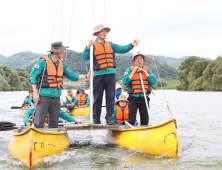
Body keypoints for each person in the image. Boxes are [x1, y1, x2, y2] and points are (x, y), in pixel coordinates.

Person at [83, 24, 140, 125]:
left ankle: (109, 118)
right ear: (96, 33)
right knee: (98, 97)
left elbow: (122, 49)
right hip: (98, 75)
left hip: (111, 75)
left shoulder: (111, 44)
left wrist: (131, 45)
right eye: (102, 31)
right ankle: (96, 118)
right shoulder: (92, 45)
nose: (105, 33)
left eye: (106, 31)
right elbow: (85, 57)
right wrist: (88, 47)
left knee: (110, 96)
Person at [30, 41, 91, 128]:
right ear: (55, 51)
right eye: (62, 50)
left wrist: (86, 76)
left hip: (56, 97)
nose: (64, 52)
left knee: (54, 123)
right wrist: (35, 93)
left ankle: (53, 137)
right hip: (44, 96)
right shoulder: (42, 62)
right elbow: (33, 76)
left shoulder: (62, 64)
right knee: (39, 122)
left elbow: (71, 75)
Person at [122, 52, 157, 126]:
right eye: (137, 59)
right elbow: (125, 82)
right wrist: (134, 71)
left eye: (141, 58)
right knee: (131, 119)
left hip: (144, 97)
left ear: (143, 60)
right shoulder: (129, 70)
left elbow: (153, 81)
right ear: (134, 61)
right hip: (133, 98)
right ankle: (130, 132)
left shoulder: (147, 69)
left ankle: (144, 133)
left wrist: (144, 72)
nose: (139, 60)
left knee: (145, 119)